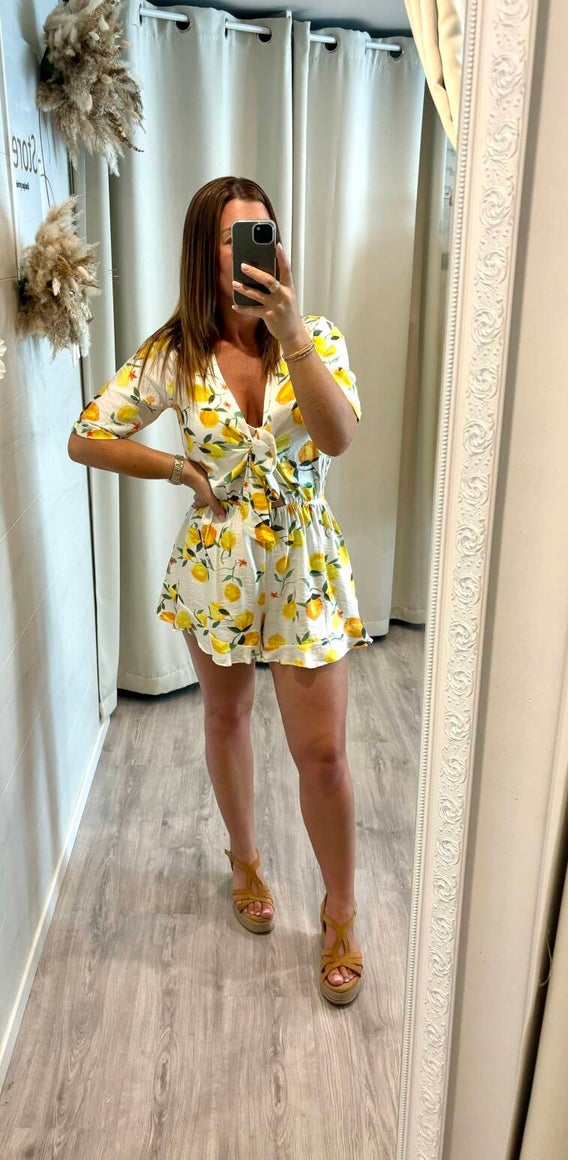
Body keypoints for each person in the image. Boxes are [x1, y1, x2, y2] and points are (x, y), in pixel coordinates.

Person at [68, 175, 372, 1006]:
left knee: (324, 755)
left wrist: (291, 332)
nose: (251, 254)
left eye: (263, 234)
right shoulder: (176, 353)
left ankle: (341, 909)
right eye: (233, 240)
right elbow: (86, 437)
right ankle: (244, 861)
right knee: (227, 717)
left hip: (303, 569)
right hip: (217, 568)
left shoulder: (317, 336)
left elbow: (338, 437)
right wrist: (179, 469)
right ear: (206, 254)